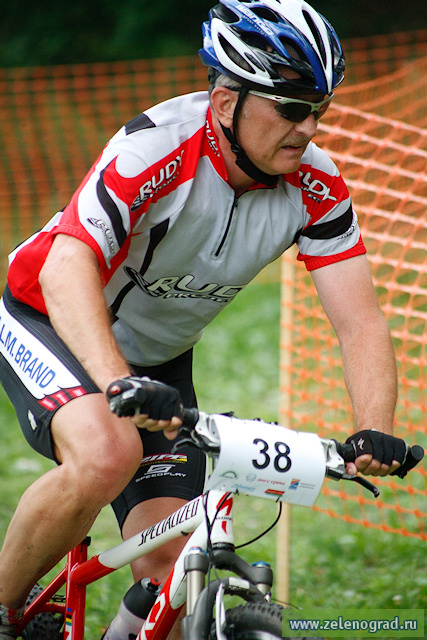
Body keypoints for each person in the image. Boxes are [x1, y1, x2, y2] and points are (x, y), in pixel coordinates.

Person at [0, 1, 408, 638]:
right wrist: (116, 381)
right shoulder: (156, 146)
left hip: (156, 362)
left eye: (319, 109)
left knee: (172, 567)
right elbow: (65, 265)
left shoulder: (317, 187)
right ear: (224, 103)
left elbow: (360, 321)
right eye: (291, 108)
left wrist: (374, 429)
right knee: (107, 453)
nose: (308, 128)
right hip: (50, 316)